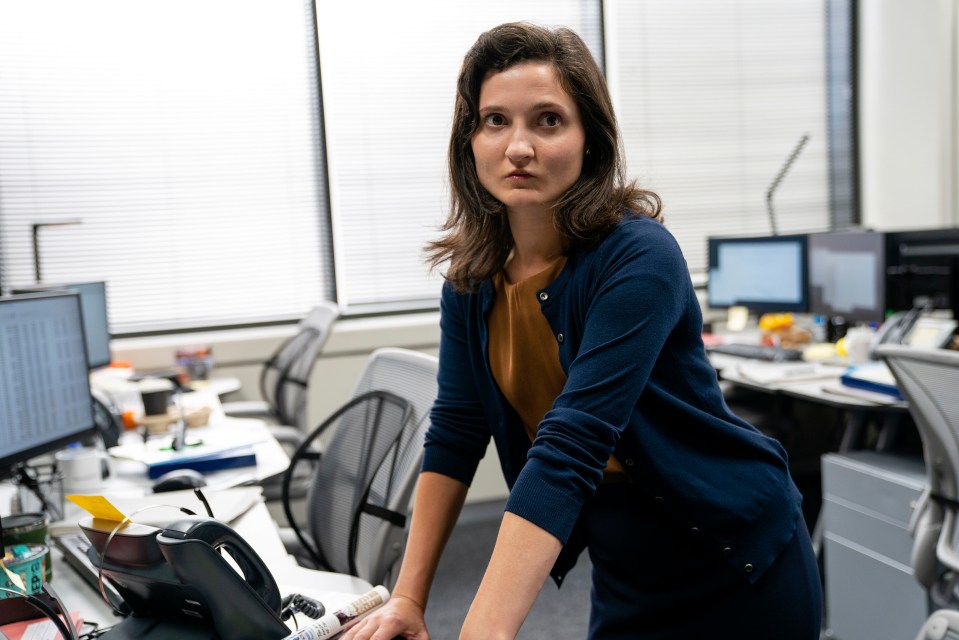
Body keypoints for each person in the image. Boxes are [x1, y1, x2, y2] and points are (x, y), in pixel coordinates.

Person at [343, 21, 822, 640]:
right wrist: (408, 597)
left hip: (736, 562)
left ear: (589, 140)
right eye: (495, 120)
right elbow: (457, 431)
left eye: (547, 120)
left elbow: (573, 444)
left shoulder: (638, 258)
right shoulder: (471, 280)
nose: (519, 146)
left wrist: (480, 633)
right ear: (469, 140)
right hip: (626, 571)